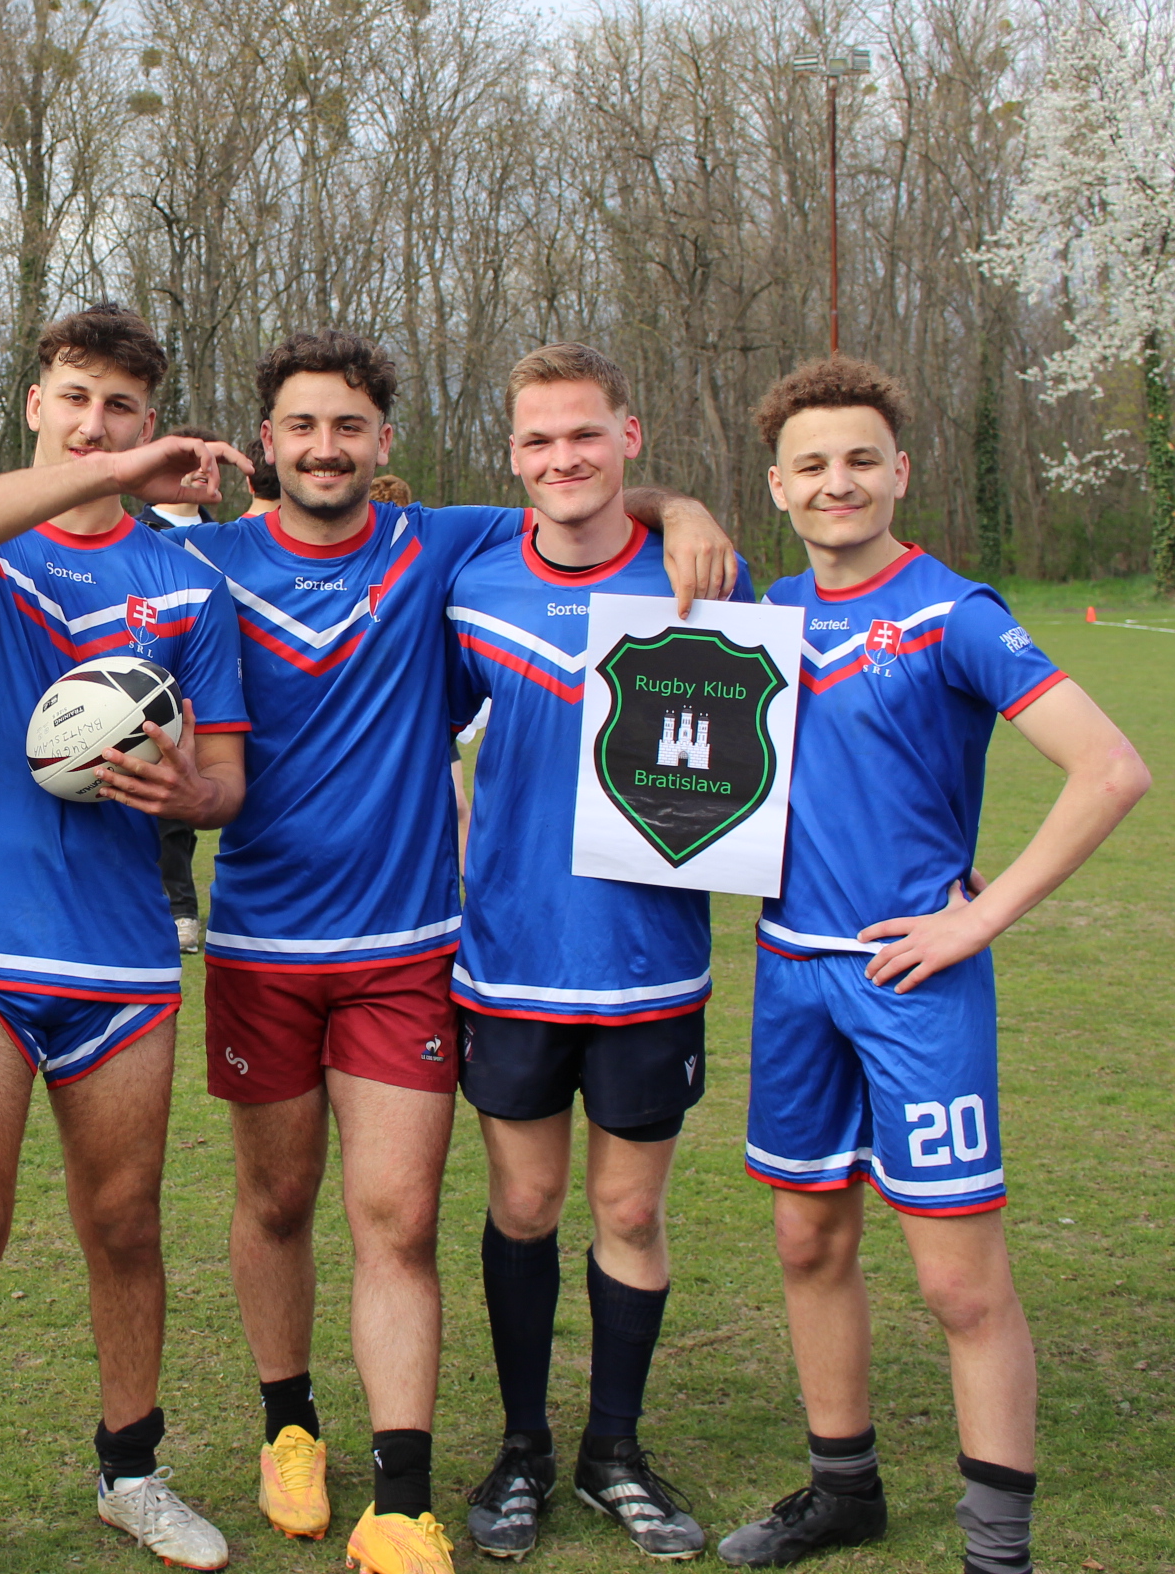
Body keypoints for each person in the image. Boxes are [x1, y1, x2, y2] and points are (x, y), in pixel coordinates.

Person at [176, 330, 734, 1574]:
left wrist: (685, 505)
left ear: (386, 442)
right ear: (266, 443)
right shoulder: (205, 563)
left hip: (413, 946)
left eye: (350, 426)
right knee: (275, 1201)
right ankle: (288, 1426)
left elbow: (581, 498)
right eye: (302, 426)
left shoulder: (448, 546)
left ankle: (402, 1499)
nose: (326, 447)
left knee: (399, 1217)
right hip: (260, 943)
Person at [715, 356, 1148, 1572]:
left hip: (914, 984)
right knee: (809, 1243)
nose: (838, 482)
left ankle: (996, 1549)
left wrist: (977, 918)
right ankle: (842, 1491)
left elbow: (1110, 769)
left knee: (960, 1285)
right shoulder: (762, 618)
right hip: (791, 976)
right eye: (811, 465)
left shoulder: (954, 612)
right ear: (777, 487)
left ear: (900, 473)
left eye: (861, 459)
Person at [0, 302, 252, 1574]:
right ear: (36, 405)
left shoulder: (189, 584)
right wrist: (117, 474)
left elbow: (227, 782)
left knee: (126, 1223)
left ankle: (132, 1475)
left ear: (151, 420)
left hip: (120, 956)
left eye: (123, 407)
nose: (96, 423)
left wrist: (187, 793)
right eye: (77, 398)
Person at [443, 343, 751, 1560]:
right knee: (523, 1204)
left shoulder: (705, 575)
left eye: (585, 433)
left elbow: (773, 756)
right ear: (513, 454)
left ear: (630, 436)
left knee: (629, 1209)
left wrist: (688, 513)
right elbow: (418, 735)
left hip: (649, 962)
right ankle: (522, 1445)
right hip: (512, 957)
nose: (562, 458)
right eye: (538, 439)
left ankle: (612, 1448)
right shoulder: (473, 585)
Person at [133, 424, 221, 955]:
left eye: (208, 461)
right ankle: (176, 909)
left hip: (210, 691)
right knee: (154, 813)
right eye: (188, 460)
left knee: (194, 810)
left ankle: (186, 909)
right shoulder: (134, 532)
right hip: (143, 695)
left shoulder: (226, 538)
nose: (199, 471)